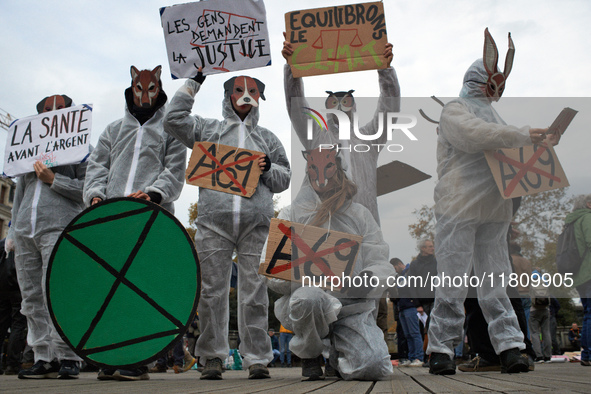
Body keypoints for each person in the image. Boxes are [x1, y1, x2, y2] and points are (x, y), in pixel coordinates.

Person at [426, 28, 557, 375]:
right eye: (492, 84)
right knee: (453, 280)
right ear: (480, 80)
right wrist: (525, 134)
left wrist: (539, 146)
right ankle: (441, 348)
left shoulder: (495, 117)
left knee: (496, 280)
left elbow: (509, 153)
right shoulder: (454, 110)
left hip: (494, 208)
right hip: (459, 206)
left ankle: (511, 347)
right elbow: (474, 137)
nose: (495, 92)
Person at [163, 68, 291, 380]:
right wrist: (193, 81)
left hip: (255, 226)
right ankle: (212, 358)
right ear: (227, 96)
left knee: (254, 293)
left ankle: (258, 358)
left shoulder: (268, 139)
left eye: (252, 91)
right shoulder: (208, 129)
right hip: (213, 224)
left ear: (260, 97)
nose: (245, 96)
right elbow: (172, 119)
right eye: (238, 90)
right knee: (211, 292)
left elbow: (284, 178)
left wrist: (267, 167)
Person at [83, 66, 186, 381]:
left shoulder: (171, 131)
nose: (144, 95)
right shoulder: (114, 130)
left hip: (151, 218)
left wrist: (155, 194)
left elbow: (175, 169)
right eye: (139, 89)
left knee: (143, 285)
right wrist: (96, 196)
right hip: (113, 217)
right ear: (131, 87)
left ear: (158, 88)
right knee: (110, 286)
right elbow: (98, 165)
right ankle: (110, 353)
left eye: (151, 89)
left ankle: (137, 357)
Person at [263, 147, 395, 381]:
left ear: (340, 171)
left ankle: (337, 357)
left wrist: (368, 278)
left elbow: (379, 259)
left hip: (351, 305)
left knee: (374, 366)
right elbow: (272, 269)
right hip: (309, 303)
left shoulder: (360, 215)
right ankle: (311, 353)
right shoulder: (290, 214)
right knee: (309, 298)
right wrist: (305, 275)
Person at [6, 94, 88, 379]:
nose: (53, 113)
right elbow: (20, 192)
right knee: (30, 296)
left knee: (58, 290)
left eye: (60, 109)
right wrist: (13, 229)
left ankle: (68, 355)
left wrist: (55, 180)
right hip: (27, 229)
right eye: (46, 110)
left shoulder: (81, 147)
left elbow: (88, 189)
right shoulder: (28, 152)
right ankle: (43, 356)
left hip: (60, 225)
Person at [566, 194, 591, 366]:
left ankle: (587, 354)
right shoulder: (588, 218)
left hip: (579, 275)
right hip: (589, 271)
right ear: (588, 204)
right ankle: (588, 354)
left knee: (588, 312)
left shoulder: (571, 222)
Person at [0, 238, 27, 375]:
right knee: (18, 325)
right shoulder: (24, 241)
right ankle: (12, 364)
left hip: (2, 287)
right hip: (18, 287)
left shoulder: (3, 243)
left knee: (2, 325)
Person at [391, 257, 423, 367]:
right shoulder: (399, 277)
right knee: (408, 335)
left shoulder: (410, 271)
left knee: (415, 333)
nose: (395, 271)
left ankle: (418, 357)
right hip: (402, 307)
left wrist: (418, 304)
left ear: (399, 264)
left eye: (395, 268)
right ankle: (411, 357)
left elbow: (415, 287)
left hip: (410, 306)